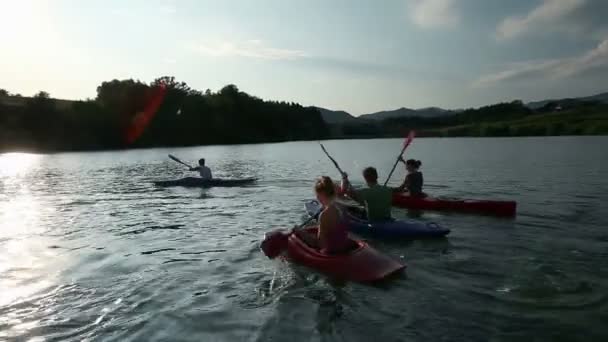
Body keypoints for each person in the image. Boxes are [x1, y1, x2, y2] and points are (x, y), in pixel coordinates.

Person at [296, 176, 351, 254]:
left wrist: (300, 232)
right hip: (344, 250)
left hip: (331, 254)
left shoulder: (324, 215)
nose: (317, 197)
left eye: (317, 195)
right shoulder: (342, 208)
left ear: (321, 194)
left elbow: (318, 244)